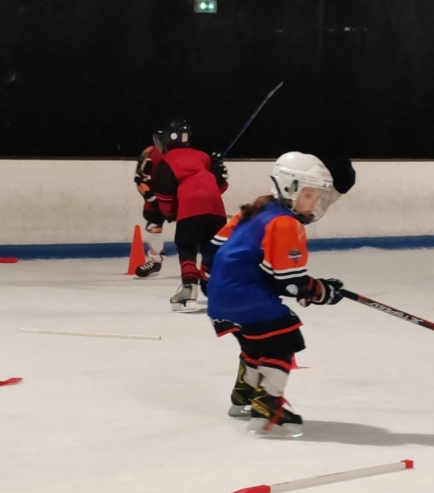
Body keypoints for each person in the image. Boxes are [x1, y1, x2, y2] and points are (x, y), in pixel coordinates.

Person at [202, 152, 355, 437]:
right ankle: (267, 406)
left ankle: (243, 396)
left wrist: (212, 284)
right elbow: (290, 283)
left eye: (317, 196)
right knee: (285, 339)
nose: (314, 202)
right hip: (246, 296)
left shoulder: (255, 211)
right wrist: (322, 291)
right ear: (290, 187)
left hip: (220, 297)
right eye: (309, 194)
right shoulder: (285, 222)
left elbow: (212, 249)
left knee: (256, 342)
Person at [150, 118, 229, 311]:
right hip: (217, 210)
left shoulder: (167, 162)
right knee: (213, 249)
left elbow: (165, 197)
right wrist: (218, 168)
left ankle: (189, 288)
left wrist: (170, 214)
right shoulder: (203, 156)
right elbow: (220, 187)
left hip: (191, 209)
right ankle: (223, 289)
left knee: (186, 245)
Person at [133, 142, 167, 278]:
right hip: (157, 197)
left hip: (179, 195)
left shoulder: (185, 153)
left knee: (195, 226)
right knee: (153, 225)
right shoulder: (150, 152)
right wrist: (151, 198)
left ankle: (210, 263)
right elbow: (139, 179)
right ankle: (155, 261)